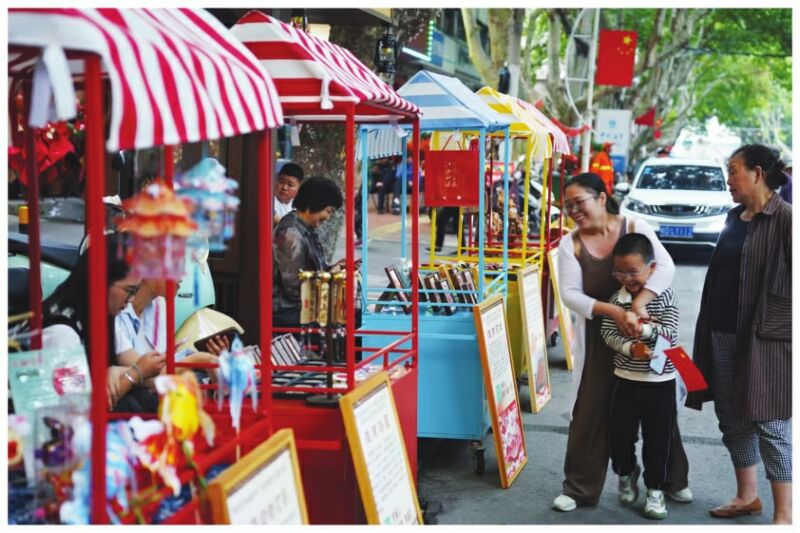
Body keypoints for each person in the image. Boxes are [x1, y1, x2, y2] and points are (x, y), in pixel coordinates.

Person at [552, 172, 690, 512]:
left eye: (579, 202)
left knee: (660, 411)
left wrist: (639, 305)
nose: (574, 211)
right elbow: (569, 294)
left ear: (602, 197)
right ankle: (580, 487)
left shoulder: (634, 226)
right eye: (568, 206)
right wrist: (615, 312)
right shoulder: (570, 244)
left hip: (651, 329)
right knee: (590, 409)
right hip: (602, 334)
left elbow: (665, 267)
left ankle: (670, 481)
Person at [687, 144, 792, 524]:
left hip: (766, 339)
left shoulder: (786, 220)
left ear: (758, 173)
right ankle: (747, 496)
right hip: (720, 332)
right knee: (732, 417)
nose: (728, 179)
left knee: (770, 422)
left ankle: (785, 515)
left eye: (733, 171)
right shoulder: (734, 217)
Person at [600, 233, 680, 520]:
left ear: (652, 268)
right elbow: (607, 333)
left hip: (660, 383)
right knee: (619, 436)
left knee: (658, 441)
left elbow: (671, 334)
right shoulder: (616, 299)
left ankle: (655, 490)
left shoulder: (665, 296)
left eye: (633, 272)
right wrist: (629, 348)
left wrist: (644, 330)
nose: (627, 279)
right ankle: (625, 471)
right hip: (625, 379)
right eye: (619, 272)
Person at [41, 233, 165, 412]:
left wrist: (119, 371)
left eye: (135, 291)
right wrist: (132, 375)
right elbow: (76, 410)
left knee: (145, 399)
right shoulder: (62, 333)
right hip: (63, 422)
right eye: (129, 290)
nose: (131, 299)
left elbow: (149, 372)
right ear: (101, 281)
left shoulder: (104, 316)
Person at [114, 278, 225, 384]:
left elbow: (163, 363)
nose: (181, 277)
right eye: (176, 267)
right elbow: (147, 374)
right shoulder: (116, 314)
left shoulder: (159, 305)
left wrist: (207, 357)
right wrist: (198, 359)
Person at [273, 176, 343, 328]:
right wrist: (329, 277)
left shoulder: (305, 229)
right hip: (289, 312)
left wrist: (335, 268)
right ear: (316, 203)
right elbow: (294, 288)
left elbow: (316, 270)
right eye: (328, 211)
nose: (328, 217)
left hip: (303, 308)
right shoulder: (291, 233)